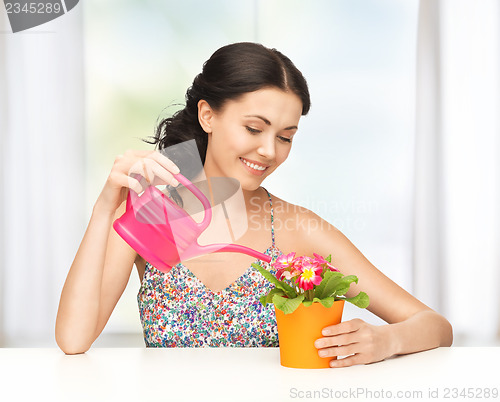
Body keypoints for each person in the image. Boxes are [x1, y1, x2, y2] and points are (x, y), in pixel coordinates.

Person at [55, 42, 453, 366]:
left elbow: (433, 325)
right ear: (208, 115)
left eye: (285, 137)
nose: (268, 151)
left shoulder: (298, 228)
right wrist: (106, 207)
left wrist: (385, 341)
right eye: (254, 128)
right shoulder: (156, 215)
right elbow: (74, 339)